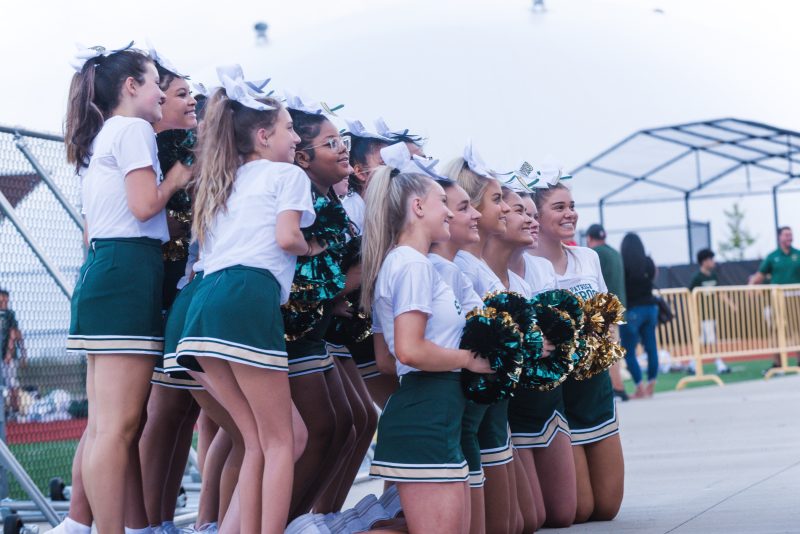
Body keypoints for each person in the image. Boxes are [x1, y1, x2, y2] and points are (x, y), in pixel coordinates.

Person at [175, 74, 319, 533]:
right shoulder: (288, 175)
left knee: (257, 440)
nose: (297, 138)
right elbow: (287, 238)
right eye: (289, 129)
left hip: (202, 306)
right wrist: (316, 247)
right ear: (262, 136)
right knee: (282, 441)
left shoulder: (223, 179)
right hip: (247, 296)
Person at [64, 45, 191, 534]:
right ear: (131, 87)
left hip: (107, 270)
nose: (162, 90)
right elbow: (144, 208)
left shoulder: (106, 133)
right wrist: (180, 176)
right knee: (117, 429)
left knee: (104, 427)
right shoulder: (134, 129)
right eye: (156, 81)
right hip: (126, 274)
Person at [361, 167, 492, 534]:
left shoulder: (417, 265)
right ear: (418, 207)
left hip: (439, 412)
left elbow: (389, 357)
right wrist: (468, 359)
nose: (449, 212)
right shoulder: (411, 265)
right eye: (442, 204)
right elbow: (408, 350)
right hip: (426, 416)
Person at [532, 181, 624, 523]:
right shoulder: (526, 266)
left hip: (595, 387)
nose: (570, 213)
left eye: (571, 205)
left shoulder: (588, 257)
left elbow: (608, 317)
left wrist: (606, 350)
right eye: (558, 207)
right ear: (536, 216)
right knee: (579, 510)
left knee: (607, 508)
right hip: (557, 393)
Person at [586, 224, 629, 401]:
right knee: (613, 348)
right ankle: (618, 388)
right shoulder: (614, 252)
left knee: (608, 351)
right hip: (617, 307)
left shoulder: (595, 254)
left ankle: (617, 389)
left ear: (589, 238)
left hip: (604, 310)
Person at [749, 226, 800, 369]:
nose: (789, 237)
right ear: (779, 237)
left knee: (798, 330)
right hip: (778, 300)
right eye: (786, 235)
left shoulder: (798, 254)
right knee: (776, 330)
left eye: (791, 234)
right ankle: (777, 363)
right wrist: (751, 285)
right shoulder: (772, 257)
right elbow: (760, 275)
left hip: (796, 299)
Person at [619, 233, 659, 398]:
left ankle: (639, 387)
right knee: (651, 348)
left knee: (629, 352)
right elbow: (655, 276)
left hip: (633, 310)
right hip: (651, 309)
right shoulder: (648, 262)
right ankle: (651, 384)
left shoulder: (623, 263)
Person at [687, 249, 731, 375]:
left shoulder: (713, 275)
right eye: (711, 259)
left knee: (704, 340)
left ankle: (692, 364)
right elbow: (690, 294)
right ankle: (719, 364)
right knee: (711, 339)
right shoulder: (697, 277)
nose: (713, 262)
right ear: (704, 261)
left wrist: (731, 304)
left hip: (712, 313)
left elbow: (719, 292)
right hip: (702, 314)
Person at [0, 289, 26, 416]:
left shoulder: (9, 314)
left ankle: (15, 412)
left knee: (12, 384)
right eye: (2, 298)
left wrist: (10, 353)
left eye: (6, 299)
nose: (4, 301)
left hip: (7, 356)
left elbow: (14, 334)